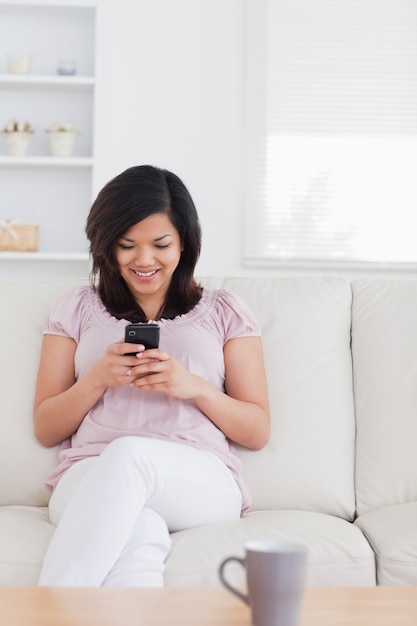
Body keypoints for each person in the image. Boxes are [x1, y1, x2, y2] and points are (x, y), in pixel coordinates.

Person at [34, 164, 270, 587]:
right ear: (107, 247)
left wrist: (193, 387)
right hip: (88, 474)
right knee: (139, 533)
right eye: (127, 245)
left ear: (185, 244)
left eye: (161, 244)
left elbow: (257, 430)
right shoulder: (74, 307)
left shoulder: (224, 310)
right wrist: (96, 379)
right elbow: (46, 428)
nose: (144, 260)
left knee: (129, 454)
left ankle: (46, 611)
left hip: (198, 478)